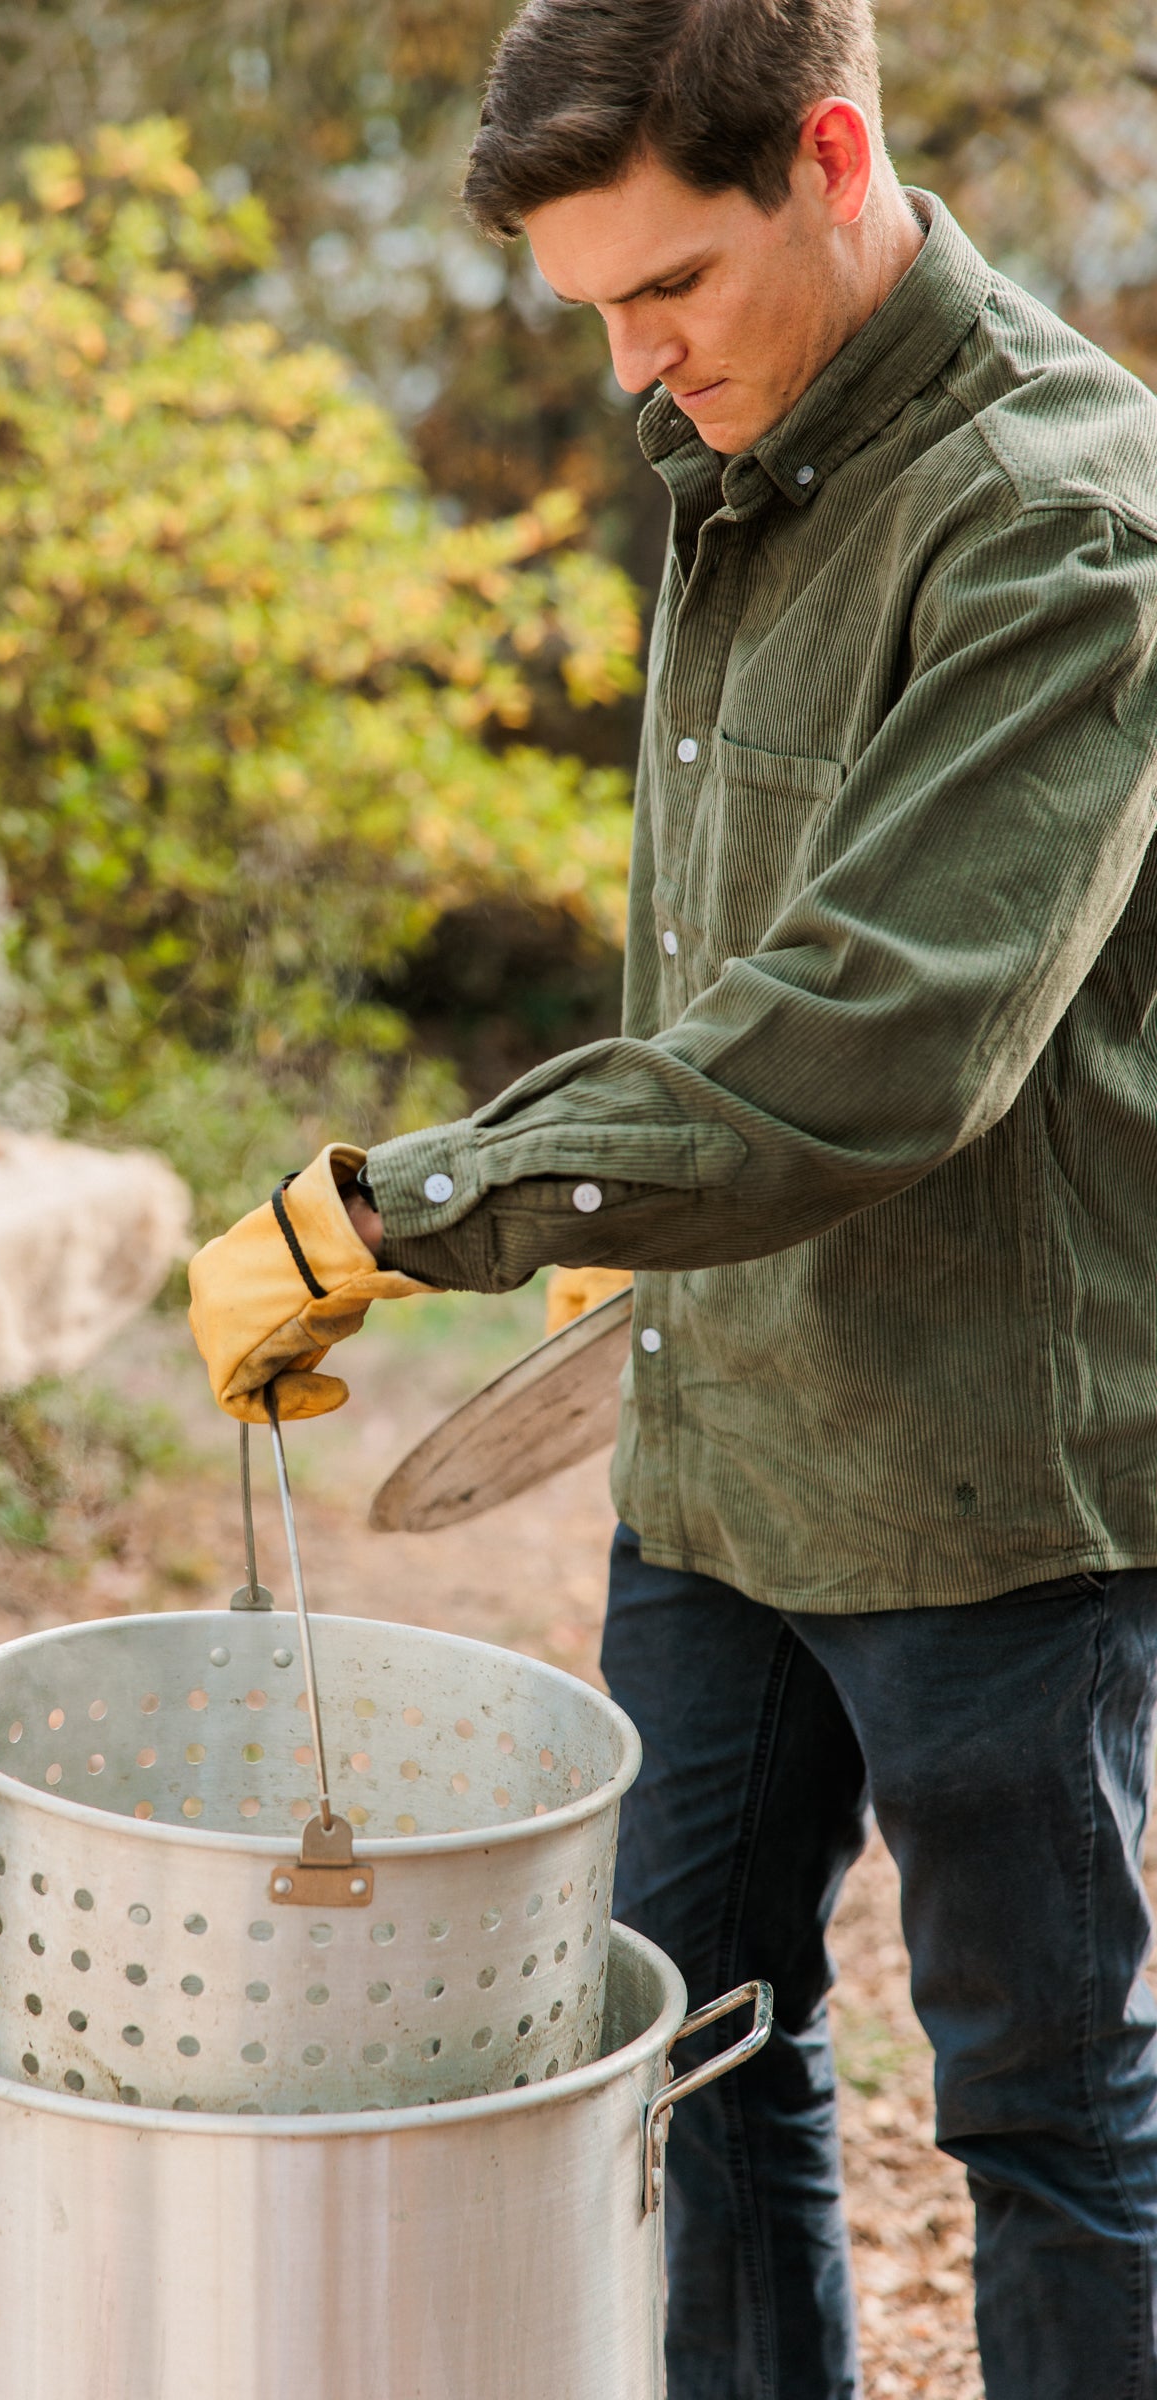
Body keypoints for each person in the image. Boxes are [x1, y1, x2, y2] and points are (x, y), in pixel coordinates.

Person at [188, 0, 1157, 2391]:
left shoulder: (1063, 522)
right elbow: (723, 959)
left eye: (669, 291)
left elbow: (862, 1038)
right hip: (717, 1437)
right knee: (680, 2048)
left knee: (1045, 2111)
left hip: (989, 1492)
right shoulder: (740, 433)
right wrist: (617, 1217)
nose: (632, 361)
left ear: (829, 157)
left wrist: (412, 1207)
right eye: (595, 310)